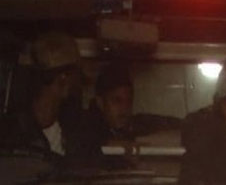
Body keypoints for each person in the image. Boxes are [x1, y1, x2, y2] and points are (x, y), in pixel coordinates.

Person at [0, 32, 90, 163]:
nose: (77, 84)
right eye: (75, 75)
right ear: (63, 78)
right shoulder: (11, 134)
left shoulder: (79, 131)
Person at [88, 62, 179, 147]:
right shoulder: (87, 128)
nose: (124, 108)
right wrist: (109, 143)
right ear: (100, 102)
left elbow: (170, 123)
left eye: (129, 101)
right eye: (117, 101)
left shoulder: (137, 124)